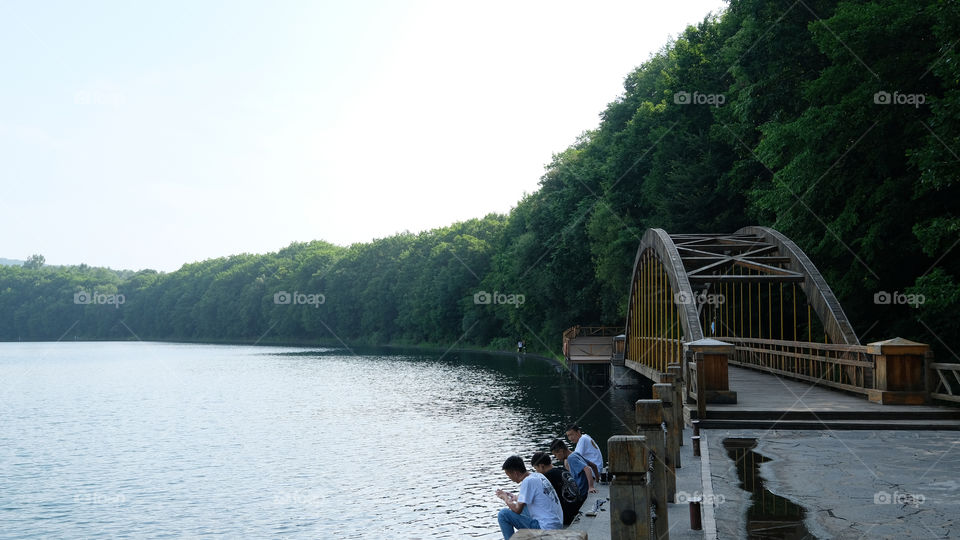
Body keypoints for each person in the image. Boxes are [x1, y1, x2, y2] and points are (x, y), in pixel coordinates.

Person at [496, 455, 563, 539]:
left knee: (503, 514)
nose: (510, 478)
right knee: (521, 506)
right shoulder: (538, 476)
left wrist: (505, 497)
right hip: (557, 524)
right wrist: (515, 498)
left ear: (515, 473)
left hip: (545, 529)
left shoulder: (527, 482)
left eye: (509, 475)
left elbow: (517, 510)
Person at [531, 451, 585, 526]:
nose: (537, 472)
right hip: (578, 507)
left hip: (567, 516)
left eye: (536, 468)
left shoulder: (547, 477)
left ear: (541, 466)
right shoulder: (562, 470)